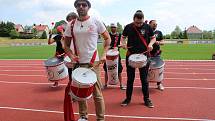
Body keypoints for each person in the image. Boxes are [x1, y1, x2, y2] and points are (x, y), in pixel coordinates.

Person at [63, 0, 111, 121]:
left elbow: (108, 39)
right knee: (80, 93)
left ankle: (101, 118)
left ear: (88, 7)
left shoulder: (95, 21)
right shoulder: (71, 24)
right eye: (78, 5)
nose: (81, 7)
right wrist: (71, 55)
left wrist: (104, 54)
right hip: (78, 63)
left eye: (84, 5)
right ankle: (83, 116)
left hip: (93, 62)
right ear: (75, 8)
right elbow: (66, 45)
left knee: (97, 94)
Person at [120, 10, 156, 108]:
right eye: (137, 23)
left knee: (144, 79)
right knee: (130, 79)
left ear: (143, 20)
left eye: (141, 22)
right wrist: (123, 44)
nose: (139, 24)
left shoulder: (148, 27)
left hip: (144, 56)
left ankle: (147, 99)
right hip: (131, 55)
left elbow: (153, 38)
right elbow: (123, 37)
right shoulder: (128, 27)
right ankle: (128, 99)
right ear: (133, 20)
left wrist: (150, 44)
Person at [103, 23, 126, 90]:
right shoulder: (107, 35)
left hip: (116, 56)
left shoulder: (119, 35)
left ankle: (121, 84)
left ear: (116, 28)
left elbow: (124, 45)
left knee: (119, 70)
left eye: (114, 27)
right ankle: (105, 84)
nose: (113, 28)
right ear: (110, 28)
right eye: (112, 27)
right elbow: (104, 45)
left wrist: (119, 46)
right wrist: (108, 47)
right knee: (106, 69)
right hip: (108, 55)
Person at [149, 20, 165, 91]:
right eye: (153, 24)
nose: (155, 25)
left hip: (156, 53)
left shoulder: (159, 32)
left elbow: (163, 42)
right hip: (147, 53)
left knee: (159, 69)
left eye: (156, 24)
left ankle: (159, 84)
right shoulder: (146, 31)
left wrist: (159, 42)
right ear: (149, 24)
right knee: (146, 69)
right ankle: (146, 83)